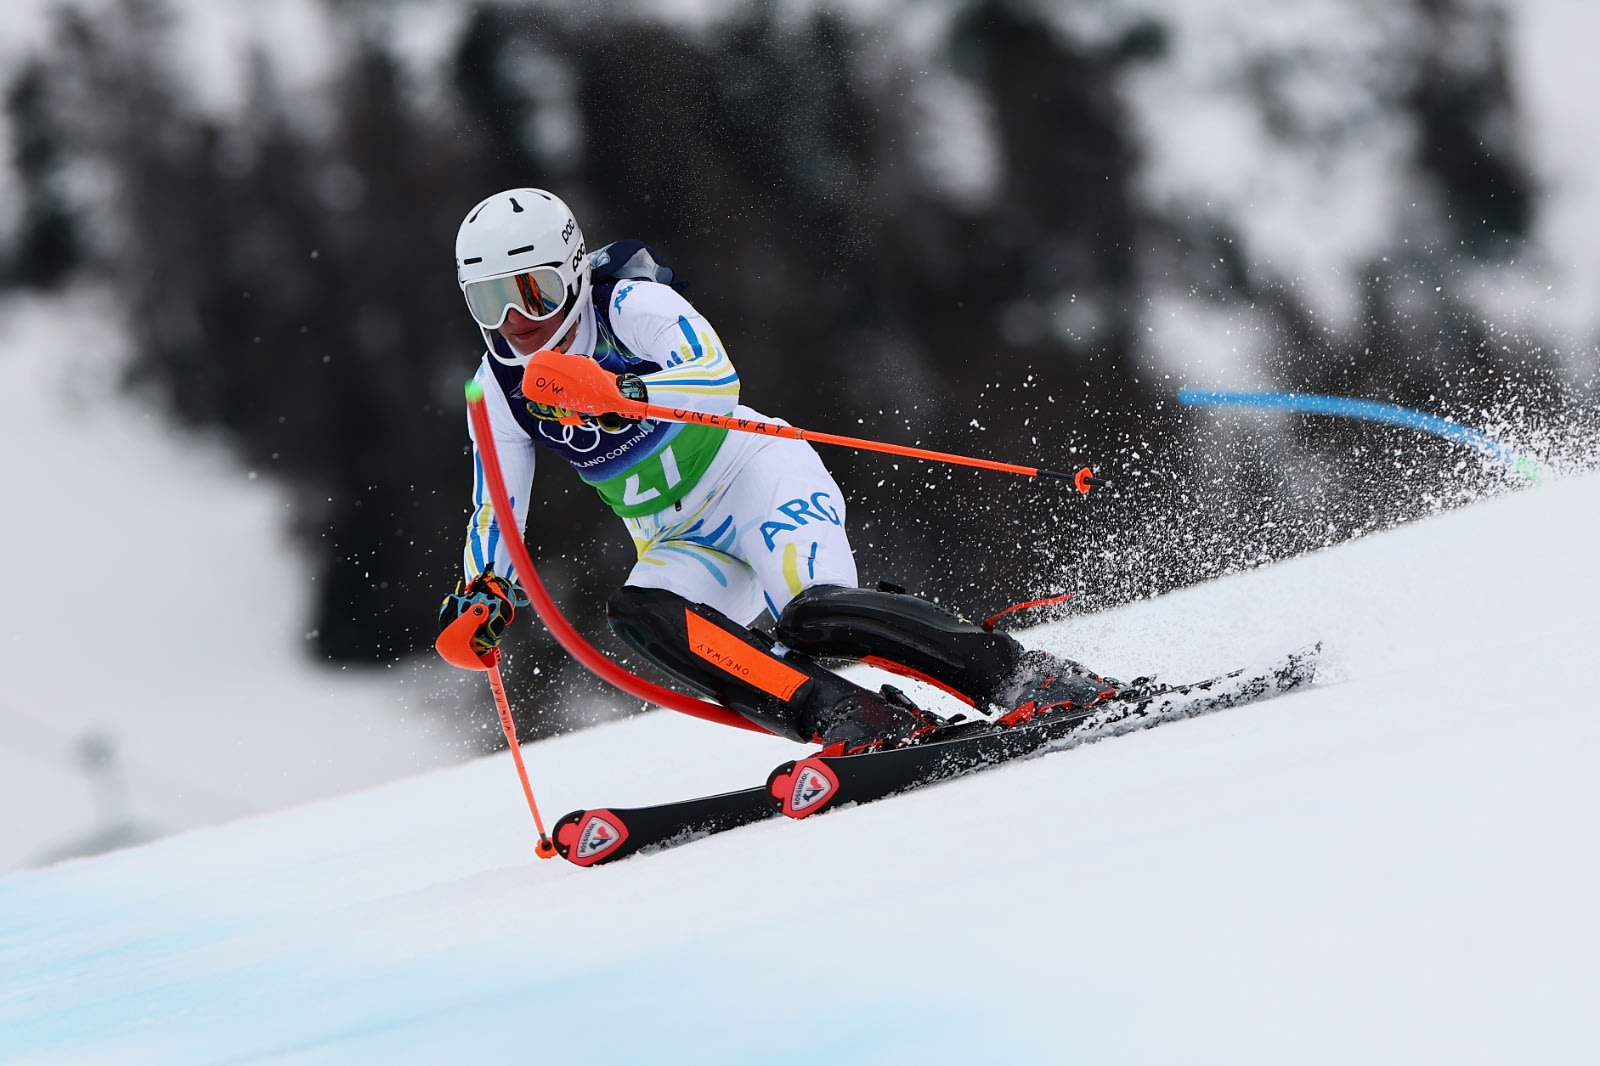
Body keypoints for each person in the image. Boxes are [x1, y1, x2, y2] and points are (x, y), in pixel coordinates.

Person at [437, 187, 1110, 753]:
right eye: (489, 301)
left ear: (575, 273)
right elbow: (497, 505)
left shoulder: (630, 308)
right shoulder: (496, 389)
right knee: (640, 616)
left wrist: (623, 393)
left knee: (812, 615)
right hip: (680, 539)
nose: (516, 322)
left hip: (757, 478)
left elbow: (715, 380)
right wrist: (484, 590)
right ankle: (853, 717)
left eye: (533, 291)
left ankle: (1021, 675)